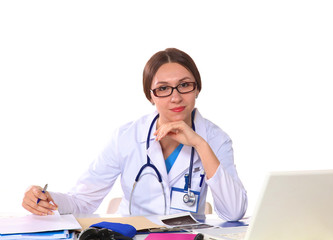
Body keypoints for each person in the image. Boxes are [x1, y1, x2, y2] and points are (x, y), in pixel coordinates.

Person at [22, 48, 247, 221]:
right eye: (163, 88)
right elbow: (83, 201)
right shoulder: (126, 137)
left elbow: (234, 212)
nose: (175, 97)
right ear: (151, 96)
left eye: (185, 85)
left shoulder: (216, 139)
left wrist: (200, 144)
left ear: (197, 88)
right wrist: (47, 200)